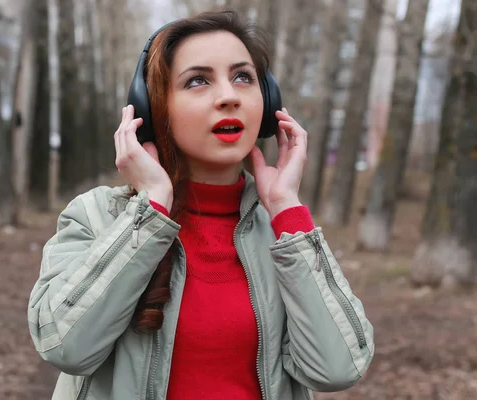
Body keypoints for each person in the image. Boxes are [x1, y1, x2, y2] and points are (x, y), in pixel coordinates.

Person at [28, 10, 374, 400]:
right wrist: (150, 211)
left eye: (243, 77)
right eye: (198, 80)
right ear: (153, 109)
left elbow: (338, 368)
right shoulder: (96, 217)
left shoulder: (281, 233)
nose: (229, 96)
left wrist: (286, 210)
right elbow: (63, 346)